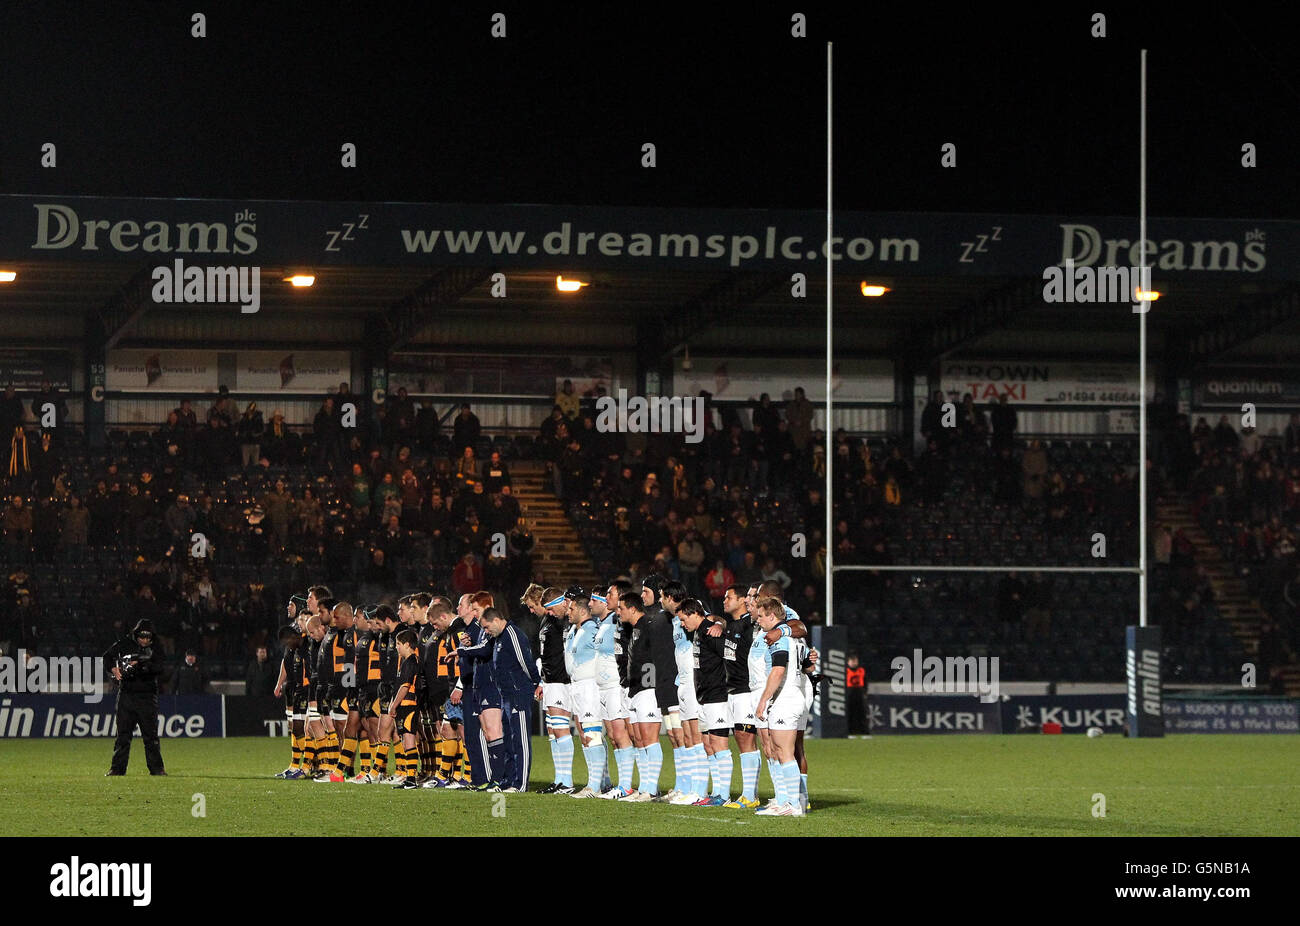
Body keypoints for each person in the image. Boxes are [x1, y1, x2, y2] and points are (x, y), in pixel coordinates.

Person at [103, 619, 167, 776]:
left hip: (147, 696)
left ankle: (157, 769)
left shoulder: (157, 647)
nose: (144, 640)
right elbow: (107, 657)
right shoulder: (124, 643)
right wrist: (113, 669)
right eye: (142, 637)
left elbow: (161, 668)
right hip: (127, 694)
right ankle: (117, 769)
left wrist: (141, 665)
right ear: (136, 634)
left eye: (148, 637)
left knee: (150, 736)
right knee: (122, 736)